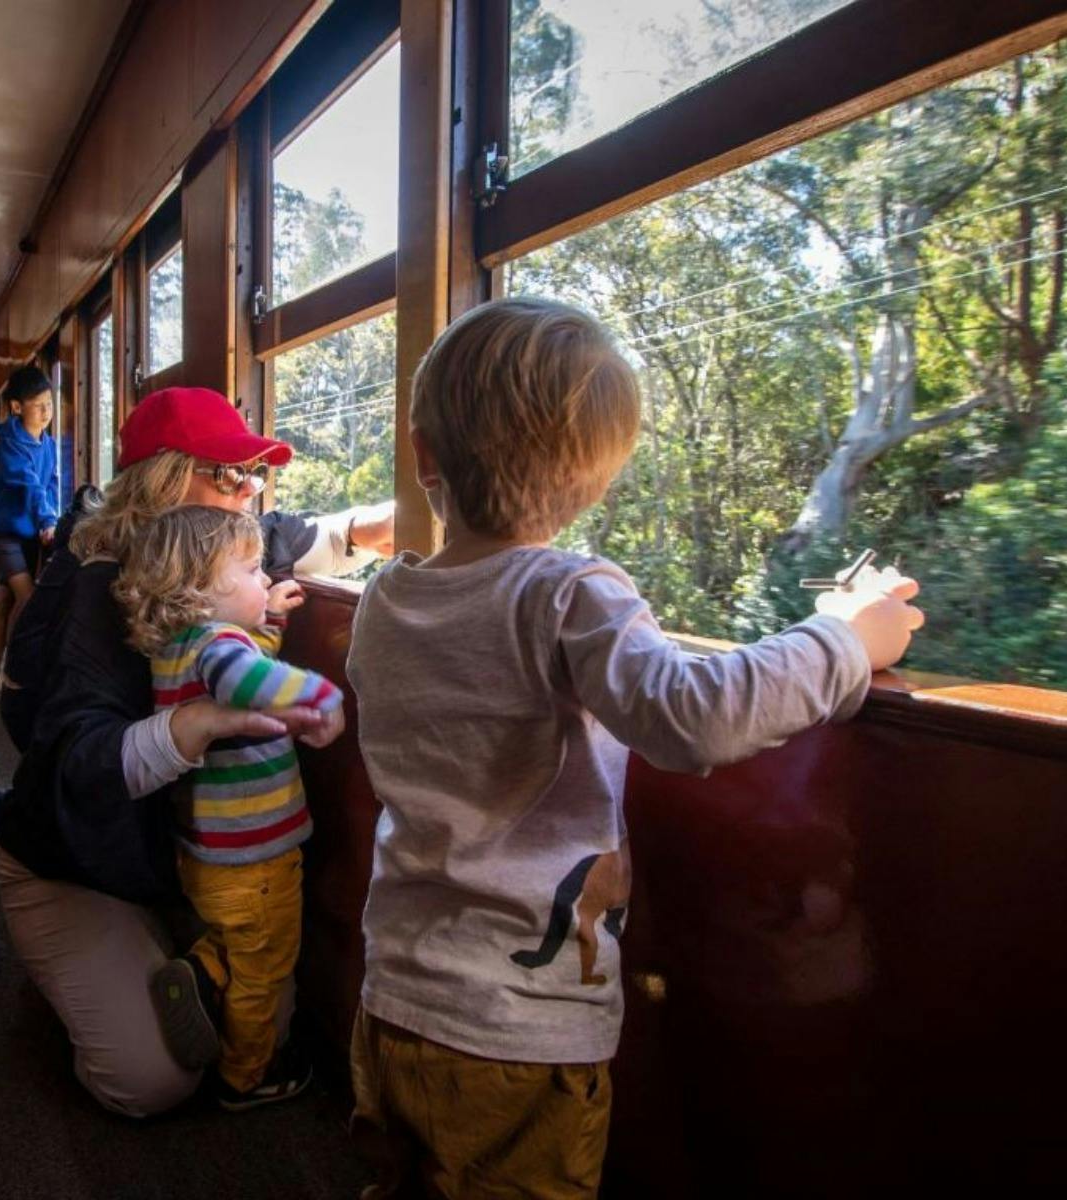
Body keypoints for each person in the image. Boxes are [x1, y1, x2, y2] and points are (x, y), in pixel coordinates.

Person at [343, 298, 925, 1198]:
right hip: (515, 1030)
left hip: (391, 1000)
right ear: (600, 480)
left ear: (421, 453)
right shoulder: (568, 592)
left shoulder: (387, 599)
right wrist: (847, 636)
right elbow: (691, 714)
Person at [0, 386, 393, 1119]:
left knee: (254, 995)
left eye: (254, 476)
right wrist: (199, 724)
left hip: (168, 848)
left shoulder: (213, 547)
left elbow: (330, 536)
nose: (251, 494)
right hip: (72, 855)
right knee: (150, 1079)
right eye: (230, 474)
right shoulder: (91, 590)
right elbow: (70, 758)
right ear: (166, 483)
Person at [115, 506, 344, 1110]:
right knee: (266, 966)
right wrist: (323, 695)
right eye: (250, 570)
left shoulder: (180, 646)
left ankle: (200, 974)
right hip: (255, 857)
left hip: (206, 852)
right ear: (199, 590)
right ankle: (249, 1074)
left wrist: (266, 621)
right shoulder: (220, 646)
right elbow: (245, 681)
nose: (265, 579)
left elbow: (235, 669)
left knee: (236, 940)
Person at [0, 366, 61, 703]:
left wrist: (53, 518)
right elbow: (29, 485)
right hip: (2, 533)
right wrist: (46, 519)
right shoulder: (7, 443)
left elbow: (49, 484)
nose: (47, 412)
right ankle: (10, 673)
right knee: (27, 598)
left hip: (26, 532)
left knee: (3, 600)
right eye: (39, 405)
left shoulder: (48, 444)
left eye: (50, 404)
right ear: (17, 407)